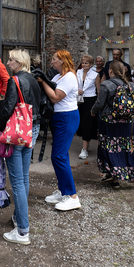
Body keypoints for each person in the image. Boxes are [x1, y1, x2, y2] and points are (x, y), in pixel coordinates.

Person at [0, 49, 43, 245]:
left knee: (17, 181)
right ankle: (18, 218)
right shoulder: (33, 79)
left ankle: (23, 231)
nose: (8, 63)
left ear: (19, 62)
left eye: (11, 60)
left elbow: (8, 108)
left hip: (18, 130)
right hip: (32, 126)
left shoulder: (15, 81)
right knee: (23, 177)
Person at [90, 60, 134, 185]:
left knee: (110, 147)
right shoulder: (131, 85)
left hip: (109, 121)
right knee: (127, 147)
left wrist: (93, 111)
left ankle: (114, 176)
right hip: (128, 122)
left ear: (110, 70)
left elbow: (100, 103)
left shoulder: (106, 84)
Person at [37, 49, 82, 211]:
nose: (52, 61)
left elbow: (55, 97)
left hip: (67, 118)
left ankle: (72, 196)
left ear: (62, 60)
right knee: (58, 156)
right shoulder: (58, 76)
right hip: (59, 118)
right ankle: (63, 190)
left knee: (59, 155)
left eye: (55, 59)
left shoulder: (69, 76)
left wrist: (42, 81)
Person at [76, 54, 98, 160]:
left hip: (90, 99)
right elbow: (75, 84)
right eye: (83, 63)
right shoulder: (78, 72)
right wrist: (77, 90)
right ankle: (86, 141)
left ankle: (84, 149)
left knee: (87, 123)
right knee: (80, 122)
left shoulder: (95, 75)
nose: (84, 65)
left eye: (86, 63)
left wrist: (97, 105)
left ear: (91, 64)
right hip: (80, 100)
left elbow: (98, 90)